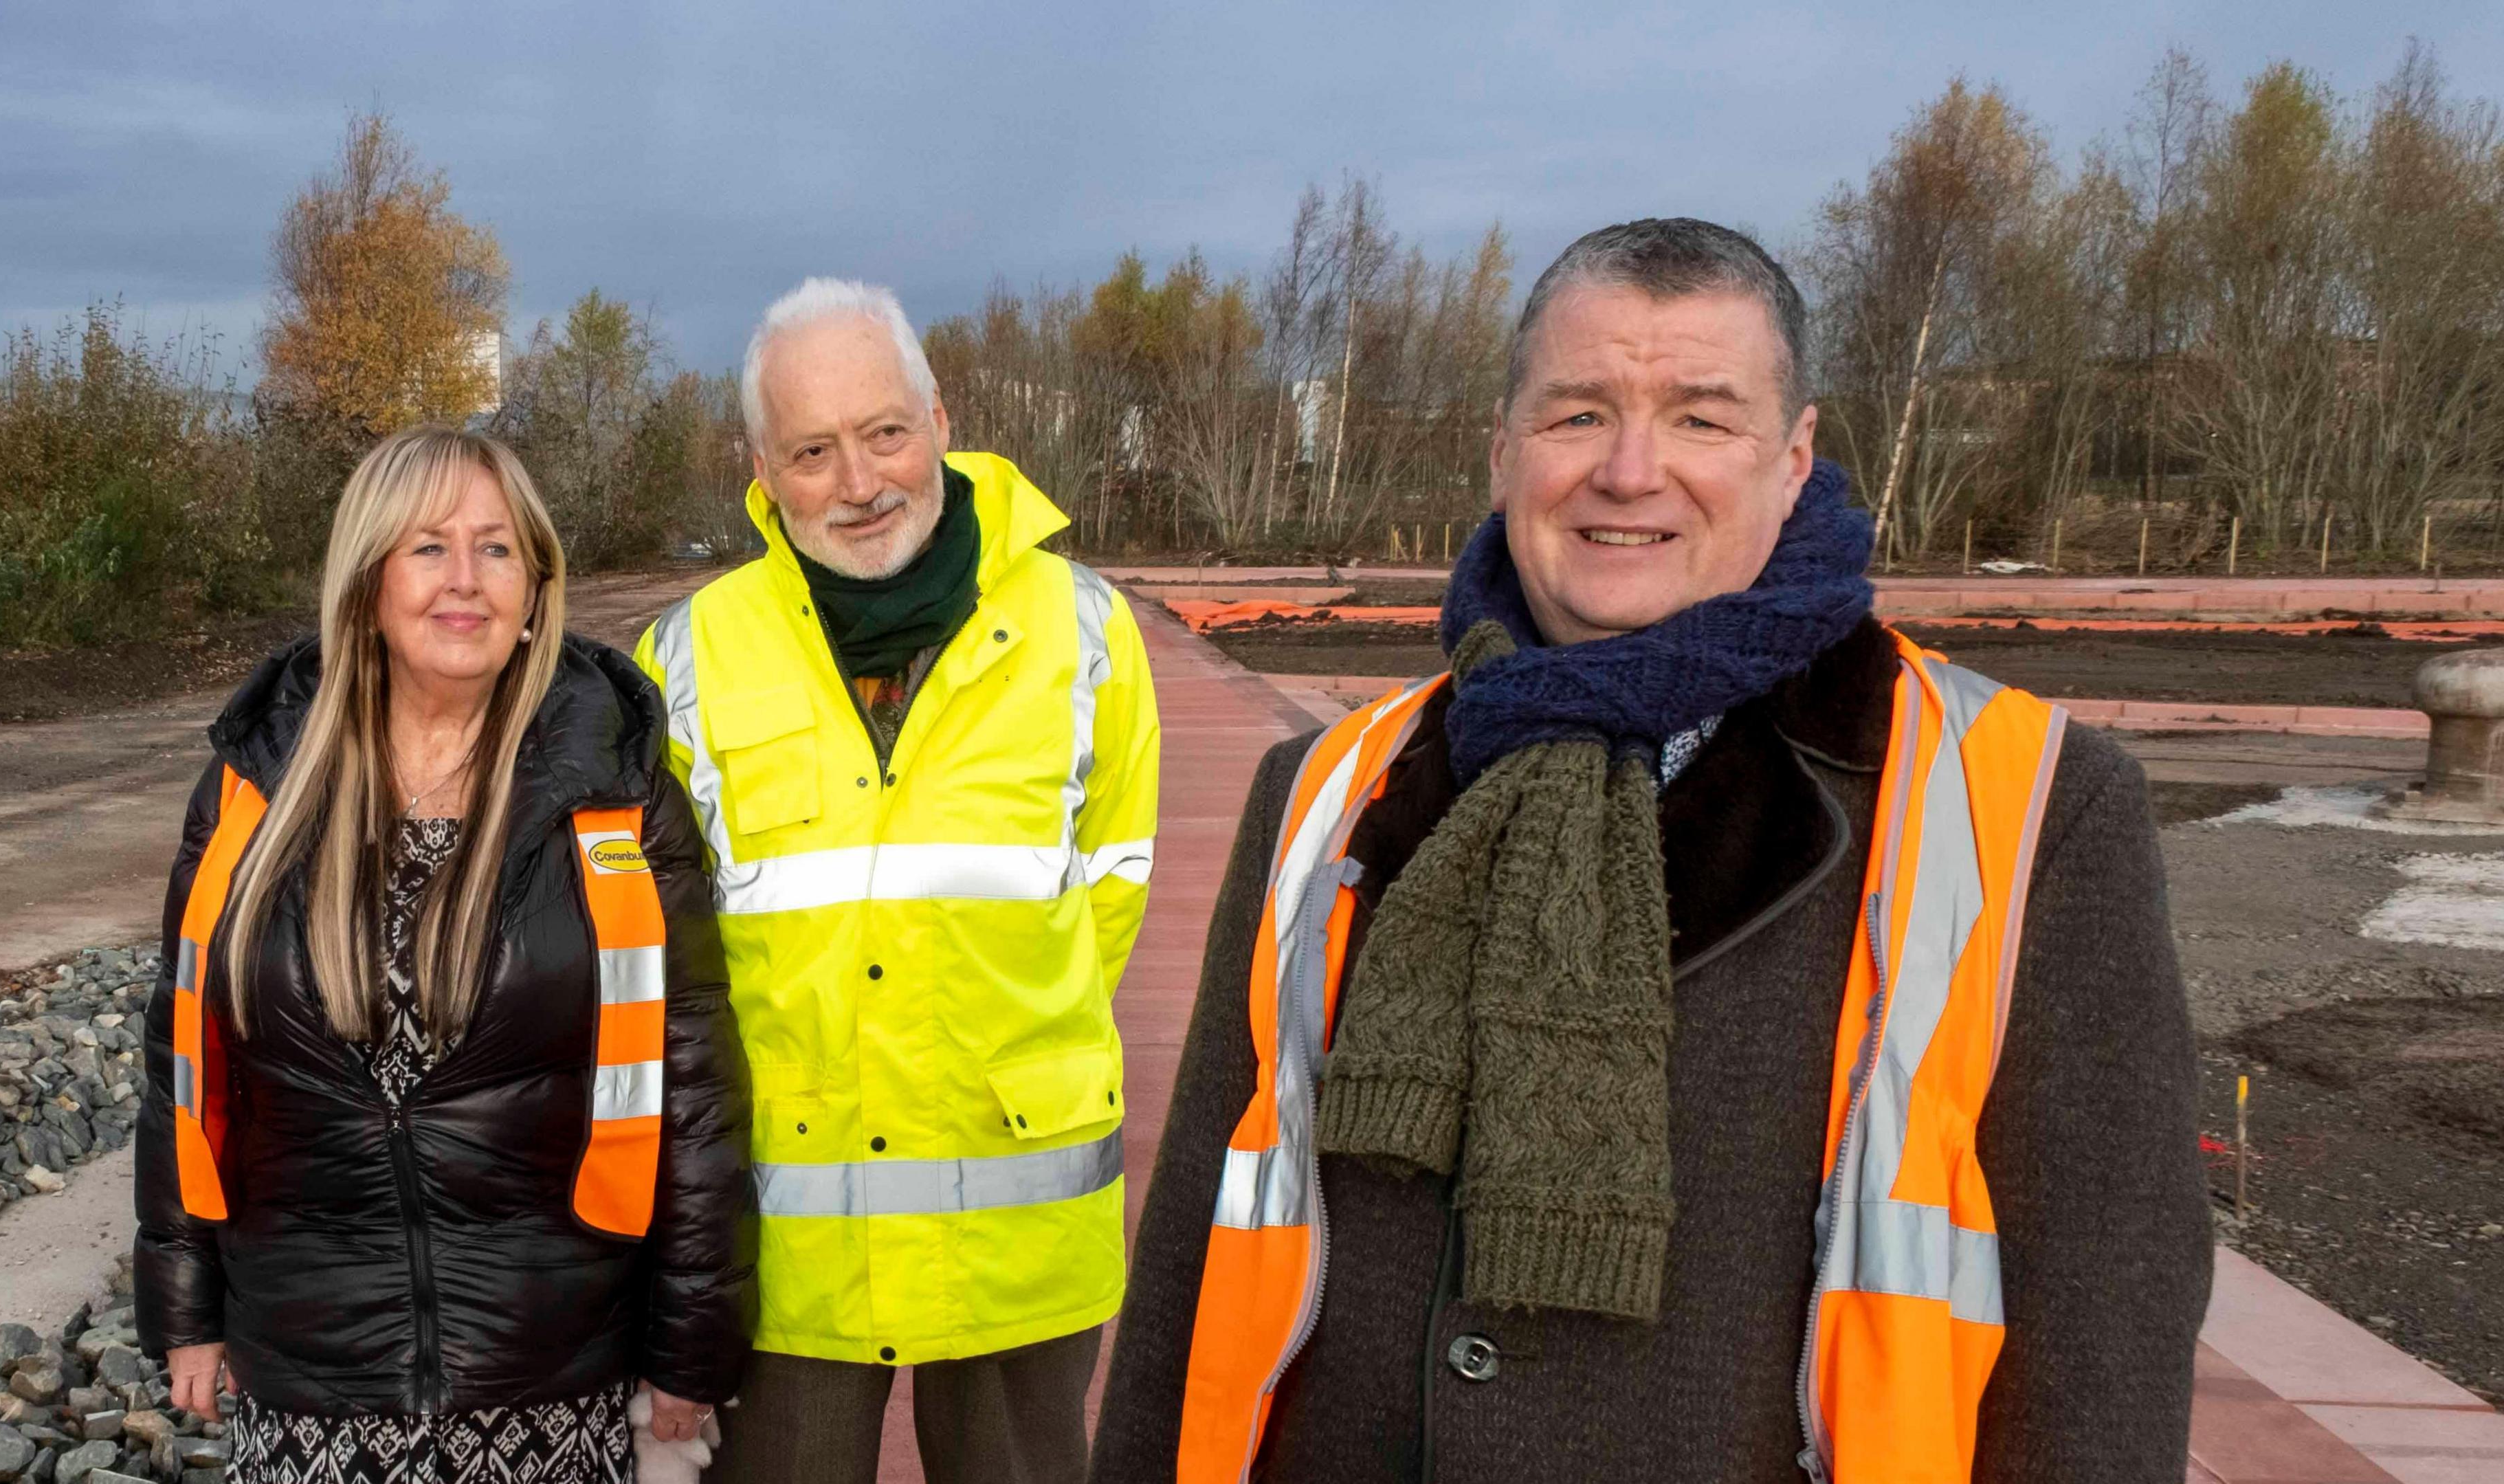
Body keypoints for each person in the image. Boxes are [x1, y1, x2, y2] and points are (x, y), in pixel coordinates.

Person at [1091, 220, 2213, 1483]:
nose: (1630, 472)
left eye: (1700, 418)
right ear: (1504, 452)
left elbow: (2100, 1329)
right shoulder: (1329, 786)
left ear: (1794, 461)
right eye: (1578, 415)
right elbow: (1200, 1240)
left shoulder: (2031, 804)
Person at [133, 425, 751, 1484]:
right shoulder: (255, 784)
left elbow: (692, 1077)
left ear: (535, 584)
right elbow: (184, 1058)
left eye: (497, 548)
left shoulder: (612, 782)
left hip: (551, 1375)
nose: (465, 580)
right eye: (428, 547)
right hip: (313, 1380)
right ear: (367, 579)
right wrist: (185, 1305)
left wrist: (691, 1347)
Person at [634, 278, 1160, 1484]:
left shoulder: (1086, 631)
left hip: (1021, 1235)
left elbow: (1112, 896)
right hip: (789, 1245)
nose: (861, 484)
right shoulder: (684, 657)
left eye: (884, 433)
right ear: (756, 468)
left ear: (940, 413)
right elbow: (670, 954)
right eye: (812, 452)